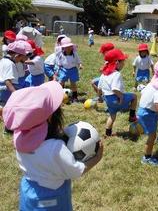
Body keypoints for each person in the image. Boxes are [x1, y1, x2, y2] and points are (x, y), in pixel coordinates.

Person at [3, 81, 103, 210]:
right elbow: (75, 171)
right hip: (53, 198)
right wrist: (97, 158)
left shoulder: (18, 137)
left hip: (28, 191)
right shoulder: (56, 148)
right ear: (50, 118)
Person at [98, 49, 138, 137]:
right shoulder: (116, 74)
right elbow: (115, 89)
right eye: (123, 62)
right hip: (116, 98)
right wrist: (121, 97)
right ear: (117, 62)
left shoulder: (104, 74)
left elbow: (99, 88)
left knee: (112, 116)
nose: (124, 64)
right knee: (134, 96)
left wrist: (100, 97)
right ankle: (132, 116)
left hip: (108, 100)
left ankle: (108, 133)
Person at [0, 41, 30, 107]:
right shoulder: (10, 64)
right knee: (5, 108)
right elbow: (7, 81)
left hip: (3, 90)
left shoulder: (3, 60)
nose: (19, 61)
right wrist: (15, 93)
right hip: (7, 92)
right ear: (16, 55)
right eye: (20, 58)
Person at [56, 37, 83, 103]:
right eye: (66, 47)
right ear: (63, 48)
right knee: (61, 82)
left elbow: (79, 61)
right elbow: (59, 63)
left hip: (73, 70)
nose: (68, 48)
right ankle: (59, 95)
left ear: (72, 47)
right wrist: (57, 71)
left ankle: (75, 97)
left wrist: (80, 65)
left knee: (73, 83)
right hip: (63, 69)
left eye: (69, 47)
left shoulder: (74, 54)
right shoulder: (61, 54)